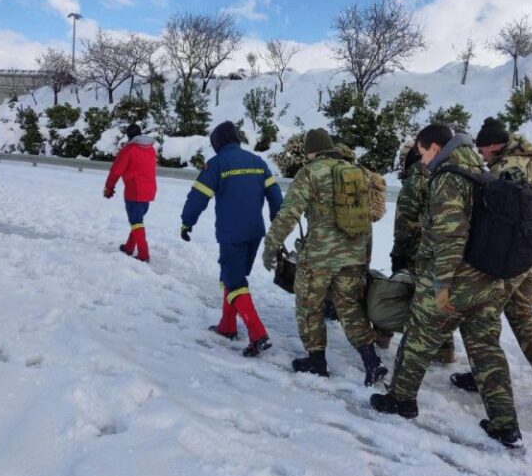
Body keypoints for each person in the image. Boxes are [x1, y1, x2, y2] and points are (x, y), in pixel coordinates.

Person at [370, 123, 522, 449]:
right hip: (487, 280)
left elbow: (451, 235)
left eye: (423, 153)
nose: (422, 160)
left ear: (435, 148)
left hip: (454, 281)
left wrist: (442, 284)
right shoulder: (479, 170)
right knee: (486, 352)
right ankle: (505, 424)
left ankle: (401, 400)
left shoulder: (450, 178)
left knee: (417, 339)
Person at [450, 117, 532, 405]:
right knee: (519, 310)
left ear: (494, 145)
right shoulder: (531, 161)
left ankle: (485, 372)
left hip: (519, 255)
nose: (481, 156)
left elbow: (499, 220)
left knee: (484, 313)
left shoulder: (506, 168)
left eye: (483, 151)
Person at [261, 128, 387, 386]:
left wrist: (271, 246)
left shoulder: (310, 173)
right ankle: (372, 361)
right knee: (350, 308)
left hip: (318, 257)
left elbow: (288, 215)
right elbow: (369, 218)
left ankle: (316, 361)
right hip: (353, 256)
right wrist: (364, 257)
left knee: (309, 307)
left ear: (311, 151)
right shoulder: (359, 172)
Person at [180, 121, 283, 358]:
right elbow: (275, 195)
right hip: (255, 232)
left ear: (218, 142)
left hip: (231, 233)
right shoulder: (258, 162)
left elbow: (198, 196)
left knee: (235, 281)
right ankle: (227, 325)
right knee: (233, 275)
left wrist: (187, 222)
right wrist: (277, 220)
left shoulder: (216, 164)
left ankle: (257, 334)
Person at [388, 141, 456, 364]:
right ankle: (445, 349)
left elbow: (405, 224)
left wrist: (398, 253)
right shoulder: (444, 177)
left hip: (416, 251)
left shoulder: (414, 181)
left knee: (403, 293)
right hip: (441, 251)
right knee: (437, 301)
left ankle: (389, 339)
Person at [103, 123, 157, 263]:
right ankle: (129, 247)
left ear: (128, 135)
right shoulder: (151, 149)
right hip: (149, 191)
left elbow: (116, 171)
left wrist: (109, 188)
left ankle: (144, 254)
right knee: (137, 220)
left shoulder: (129, 150)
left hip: (135, 191)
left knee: (136, 222)